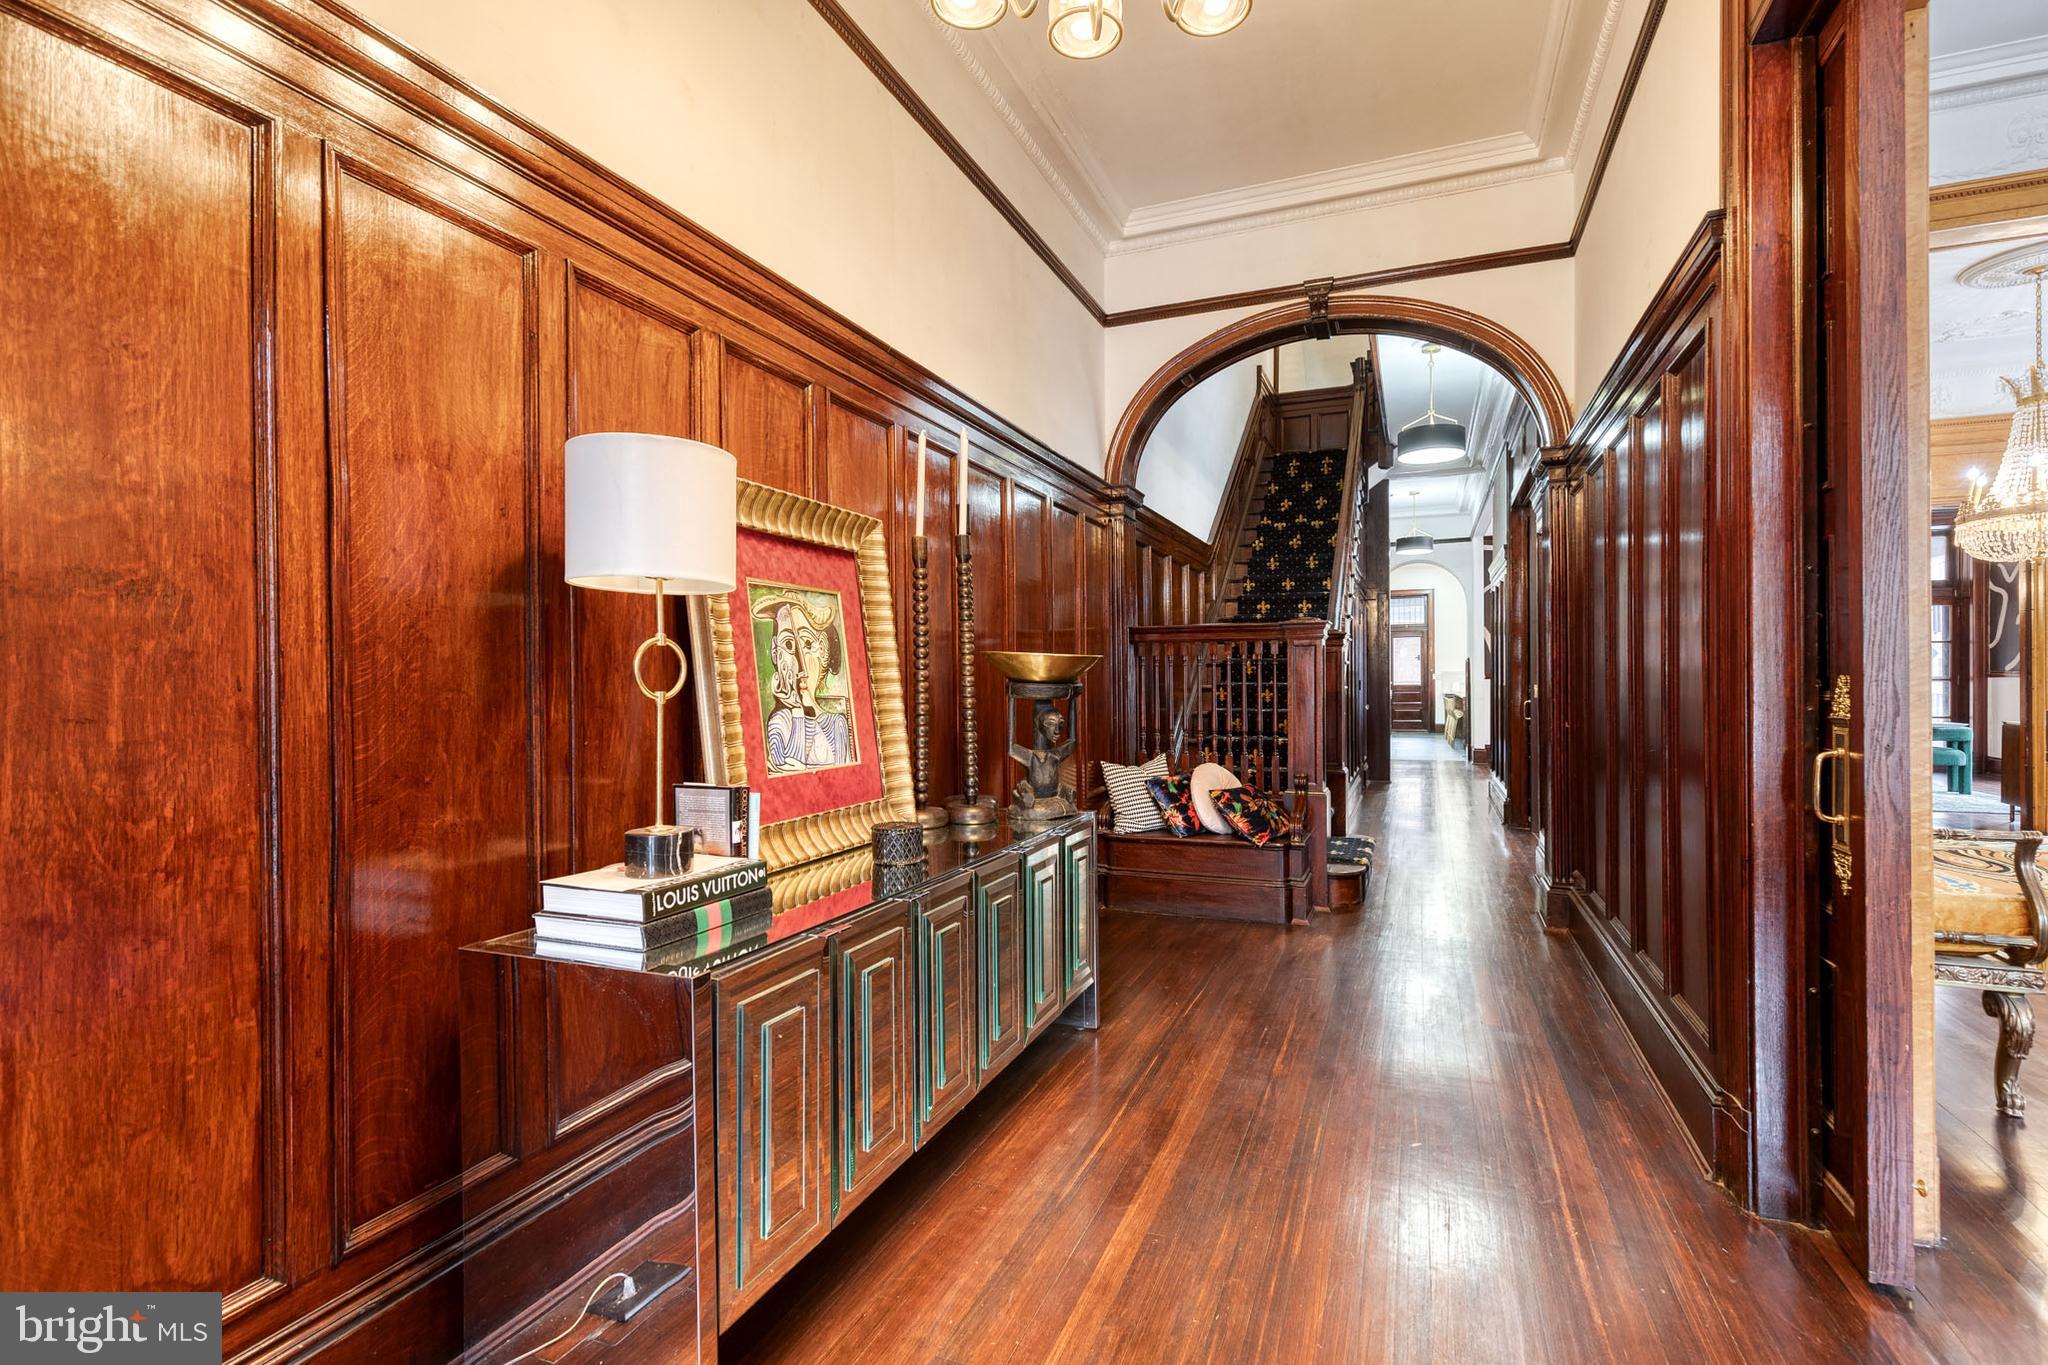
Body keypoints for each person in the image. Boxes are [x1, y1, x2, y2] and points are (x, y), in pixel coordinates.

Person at [752, 592, 854, 773]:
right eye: (789, 645)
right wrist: (798, 712)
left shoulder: (838, 724)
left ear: (822, 650)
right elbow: (792, 770)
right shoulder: (779, 723)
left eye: (807, 644)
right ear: (775, 653)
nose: (802, 668)